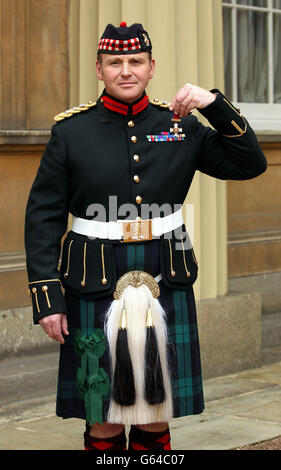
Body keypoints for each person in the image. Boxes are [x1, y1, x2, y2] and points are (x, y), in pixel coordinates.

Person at [24, 22, 267, 451]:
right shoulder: (70, 131)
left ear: (152, 67)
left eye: (135, 61)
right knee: (102, 415)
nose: (126, 70)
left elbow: (251, 163)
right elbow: (42, 217)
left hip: (164, 277)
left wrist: (214, 104)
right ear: (99, 70)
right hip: (91, 284)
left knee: (157, 412)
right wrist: (47, 298)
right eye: (114, 62)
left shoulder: (181, 127)